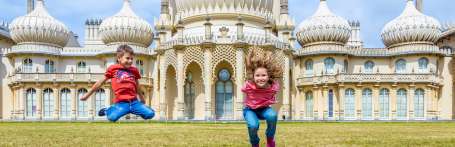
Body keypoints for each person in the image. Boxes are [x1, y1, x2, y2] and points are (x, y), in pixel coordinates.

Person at [80, 45, 155, 122]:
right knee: (112, 118)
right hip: (122, 103)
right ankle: (107, 110)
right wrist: (87, 95)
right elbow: (100, 82)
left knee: (150, 114)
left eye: (132, 59)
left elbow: (137, 85)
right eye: (127, 58)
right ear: (119, 58)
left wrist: (142, 98)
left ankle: (143, 109)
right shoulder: (113, 69)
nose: (130, 61)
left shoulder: (134, 70)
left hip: (134, 102)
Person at [242, 48, 283, 147]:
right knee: (253, 126)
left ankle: (270, 139)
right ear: (253, 76)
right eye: (257, 75)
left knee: (272, 115)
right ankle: (255, 143)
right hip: (250, 110)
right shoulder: (248, 85)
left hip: (264, 109)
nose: (260, 78)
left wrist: (272, 100)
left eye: (264, 75)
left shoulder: (273, 86)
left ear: (269, 76)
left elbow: (274, 92)